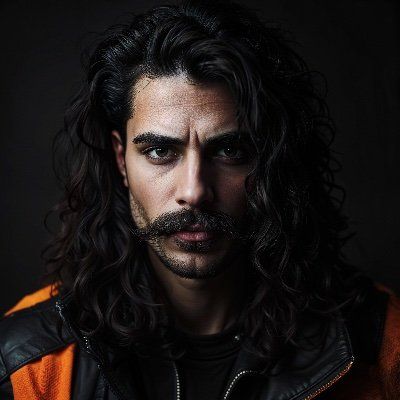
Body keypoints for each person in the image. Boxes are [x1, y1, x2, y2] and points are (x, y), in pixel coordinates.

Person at [0, 0, 399, 399]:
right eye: (160, 151)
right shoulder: (27, 363)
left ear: (272, 161)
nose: (194, 191)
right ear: (121, 159)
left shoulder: (381, 345)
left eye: (230, 151)